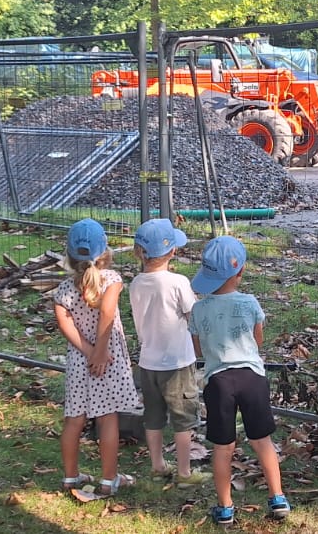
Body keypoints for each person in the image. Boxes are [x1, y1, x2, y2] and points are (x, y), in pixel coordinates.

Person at [188, 235, 291, 525]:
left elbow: (198, 350)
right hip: (252, 378)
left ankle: (224, 508)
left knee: (223, 447)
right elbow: (257, 340)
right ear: (240, 271)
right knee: (262, 441)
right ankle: (278, 497)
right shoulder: (250, 303)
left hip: (219, 381)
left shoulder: (199, 309)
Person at [53, 218, 141, 498]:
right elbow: (107, 313)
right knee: (107, 419)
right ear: (105, 251)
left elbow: (64, 322)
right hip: (108, 359)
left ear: (68, 254)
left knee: (73, 420)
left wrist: (88, 351)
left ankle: (70, 476)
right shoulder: (111, 280)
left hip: (80, 362)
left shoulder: (64, 289)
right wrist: (100, 351)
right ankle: (108, 479)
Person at [127, 217, 208, 486]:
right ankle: (184, 472)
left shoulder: (136, 283)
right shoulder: (178, 282)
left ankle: (157, 465)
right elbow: (192, 314)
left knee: (153, 417)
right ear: (172, 251)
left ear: (139, 252)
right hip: (178, 363)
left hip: (148, 363)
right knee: (183, 419)